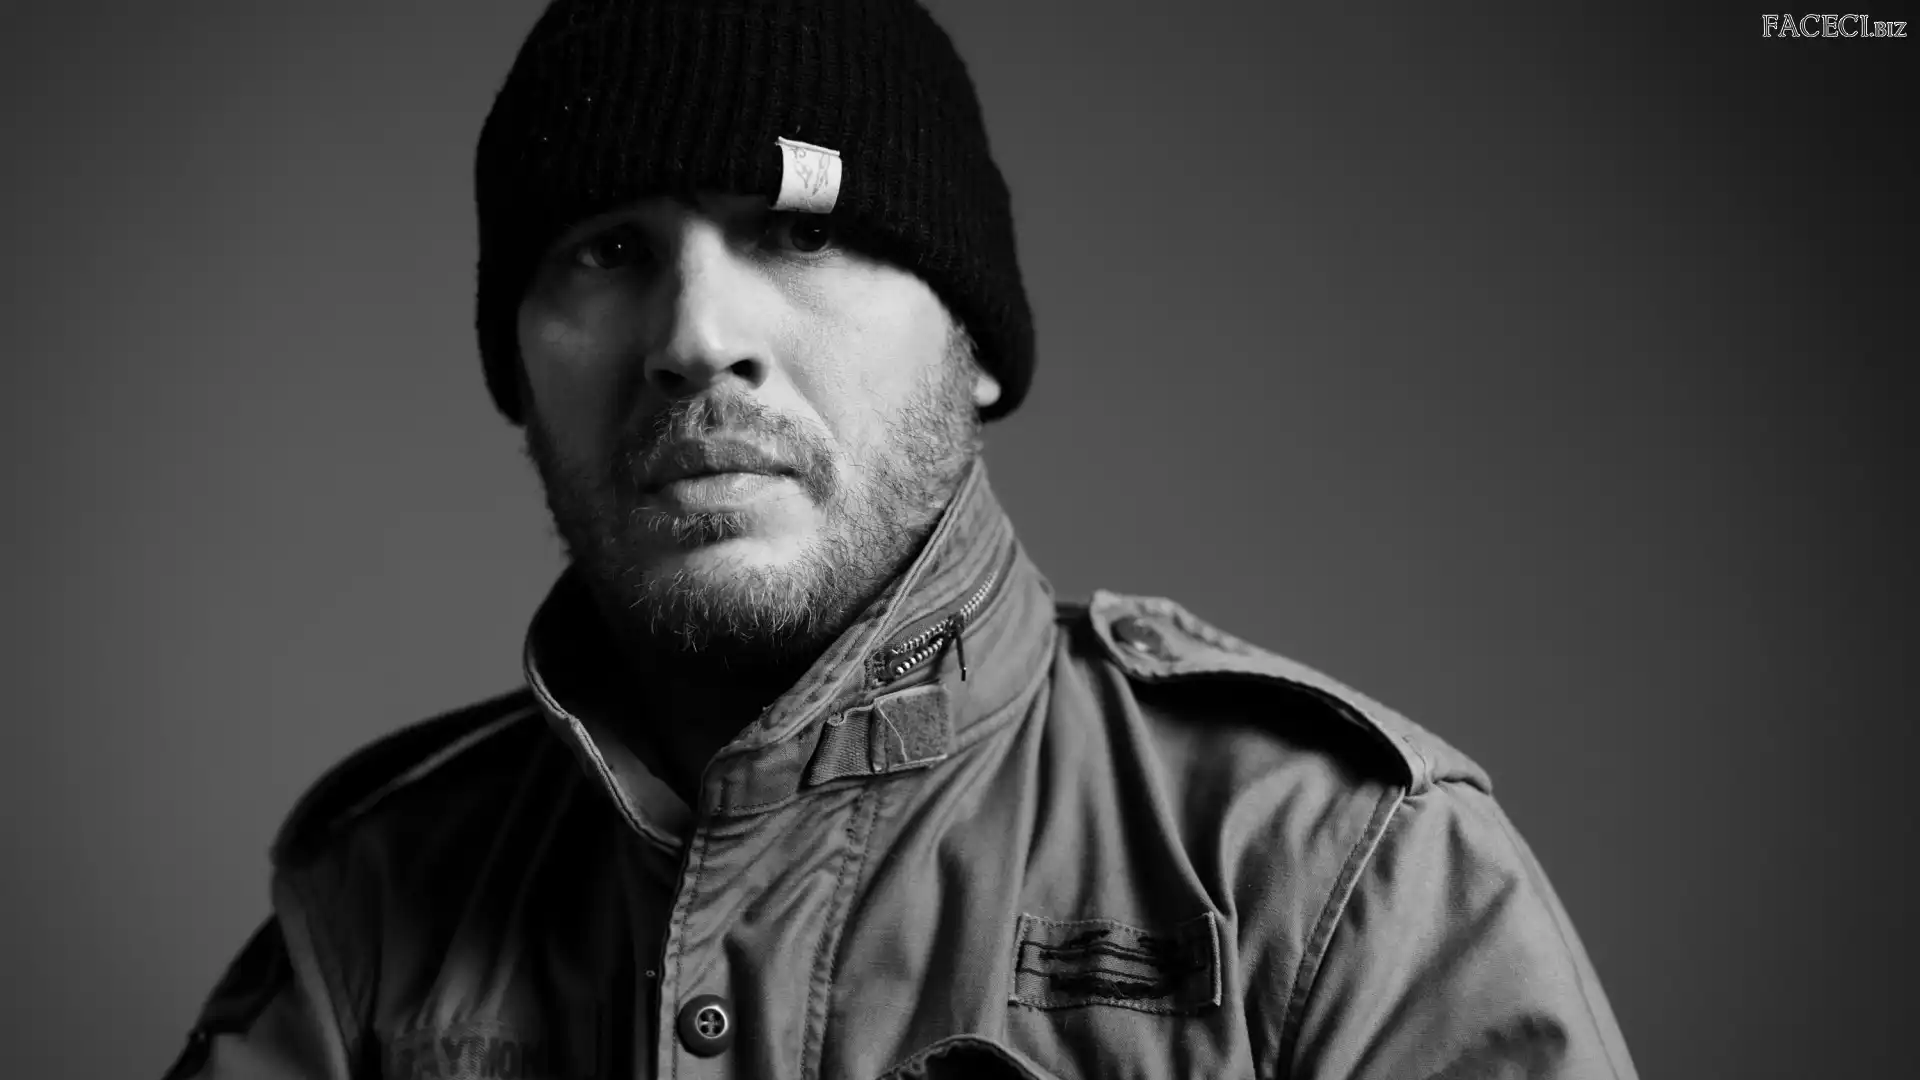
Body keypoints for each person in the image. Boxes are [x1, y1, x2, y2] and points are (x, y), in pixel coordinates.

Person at [166, 1, 1639, 1077]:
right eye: (607, 251)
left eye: (801, 231)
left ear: (972, 340)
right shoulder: (378, 901)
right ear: (518, 367)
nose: (696, 336)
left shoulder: (1337, 869)